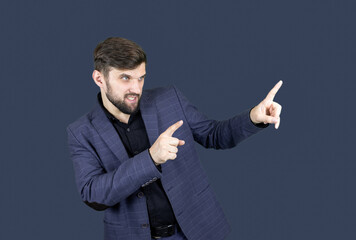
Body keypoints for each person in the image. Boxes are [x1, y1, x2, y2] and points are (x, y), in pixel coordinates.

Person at [67, 37, 283, 240]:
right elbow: (93, 194)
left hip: (196, 230)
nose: (136, 88)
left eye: (141, 78)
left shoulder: (169, 98)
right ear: (99, 78)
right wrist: (151, 158)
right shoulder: (81, 132)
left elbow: (215, 135)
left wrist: (254, 117)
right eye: (125, 78)